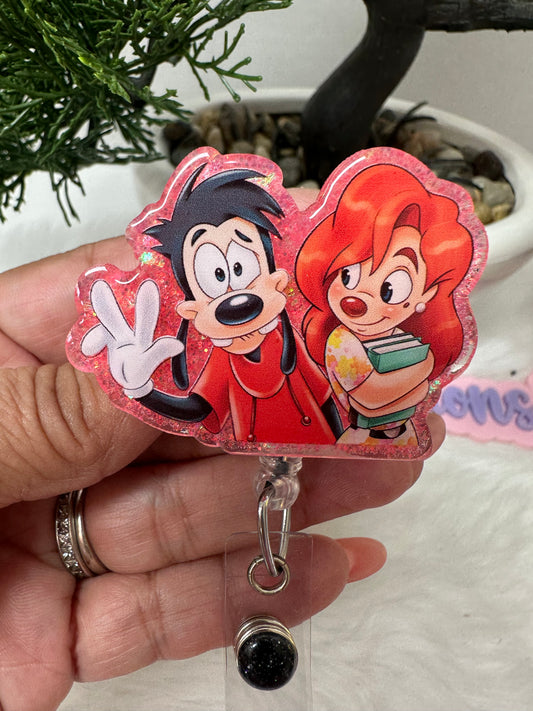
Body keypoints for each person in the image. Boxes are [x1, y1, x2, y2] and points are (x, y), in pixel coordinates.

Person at [0, 188, 445, 711]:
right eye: (215, 275)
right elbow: (193, 407)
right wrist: (136, 386)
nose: (237, 294)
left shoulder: (301, 341)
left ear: (277, 279)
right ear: (190, 306)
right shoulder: (219, 363)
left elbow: (333, 395)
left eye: (245, 267)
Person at [295, 164, 475, 447]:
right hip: (361, 439)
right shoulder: (341, 341)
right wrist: (421, 369)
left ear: (426, 294)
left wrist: (416, 378)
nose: (358, 297)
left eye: (390, 288)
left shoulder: (401, 335)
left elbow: (417, 389)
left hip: (403, 438)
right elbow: (370, 396)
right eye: (348, 275)